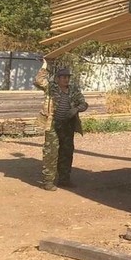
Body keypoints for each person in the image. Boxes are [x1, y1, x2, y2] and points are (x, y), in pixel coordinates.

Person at [35, 62, 88, 190]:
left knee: (66, 152)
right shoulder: (51, 88)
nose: (66, 79)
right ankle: (48, 182)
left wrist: (75, 109)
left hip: (67, 126)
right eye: (63, 77)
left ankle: (64, 179)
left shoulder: (74, 90)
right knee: (51, 153)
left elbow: (84, 104)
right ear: (57, 78)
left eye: (68, 77)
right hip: (52, 125)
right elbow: (38, 81)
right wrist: (45, 66)